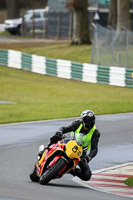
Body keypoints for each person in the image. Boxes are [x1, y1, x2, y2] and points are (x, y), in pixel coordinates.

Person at [38, 109, 100, 181]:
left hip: (80, 154)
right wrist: (60, 131)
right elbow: (64, 128)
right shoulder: (77, 123)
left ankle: (71, 170)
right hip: (69, 144)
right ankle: (45, 150)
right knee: (56, 137)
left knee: (87, 175)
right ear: (83, 122)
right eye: (86, 126)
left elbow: (94, 149)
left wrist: (88, 157)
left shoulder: (95, 133)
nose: (87, 128)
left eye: (90, 125)